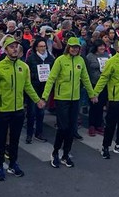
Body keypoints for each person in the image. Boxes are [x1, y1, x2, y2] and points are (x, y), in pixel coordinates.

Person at [0, 35, 44, 181]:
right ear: (5, 50)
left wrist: (37, 100)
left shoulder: (23, 67)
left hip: (18, 109)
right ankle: (0, 166)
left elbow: (28, 86)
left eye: (16, 46)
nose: (15, 49)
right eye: (11, 47)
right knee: (1, 140)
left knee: (14, 139)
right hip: (2, 110)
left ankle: (13, 163)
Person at [42, 37, 97, 168]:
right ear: (68, 47)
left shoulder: (80, 61)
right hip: (62, 99)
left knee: (72, 129)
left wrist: (92, 94)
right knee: (63, 127)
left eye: (76, 47)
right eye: (72, 47)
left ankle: (66, 154)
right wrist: (44, 97)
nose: (74, 49)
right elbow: (51, 79)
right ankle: (55, 152)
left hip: (75, 99)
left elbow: (85, 79)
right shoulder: (60, 60)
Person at [25, 37, 53, 143]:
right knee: (31, 113)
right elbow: (27, 74)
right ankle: (29, 134)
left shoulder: (50, 58)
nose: (43, 48)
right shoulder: (31, 58)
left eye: (44, 46)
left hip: (44, 88)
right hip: (33, 88)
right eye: (40, 46)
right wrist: (37, 75)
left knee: (41, 112)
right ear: (36, 47)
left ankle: (39, 133)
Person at [85, 39, 110, 136]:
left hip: (104, 84)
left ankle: (99, 124)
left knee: (101, 105)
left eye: (103, 46)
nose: (102, 48)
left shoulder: (106, 55)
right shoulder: (90, 56)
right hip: (93, 83)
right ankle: (91, 125)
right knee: (93, 105)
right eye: (100, 46)